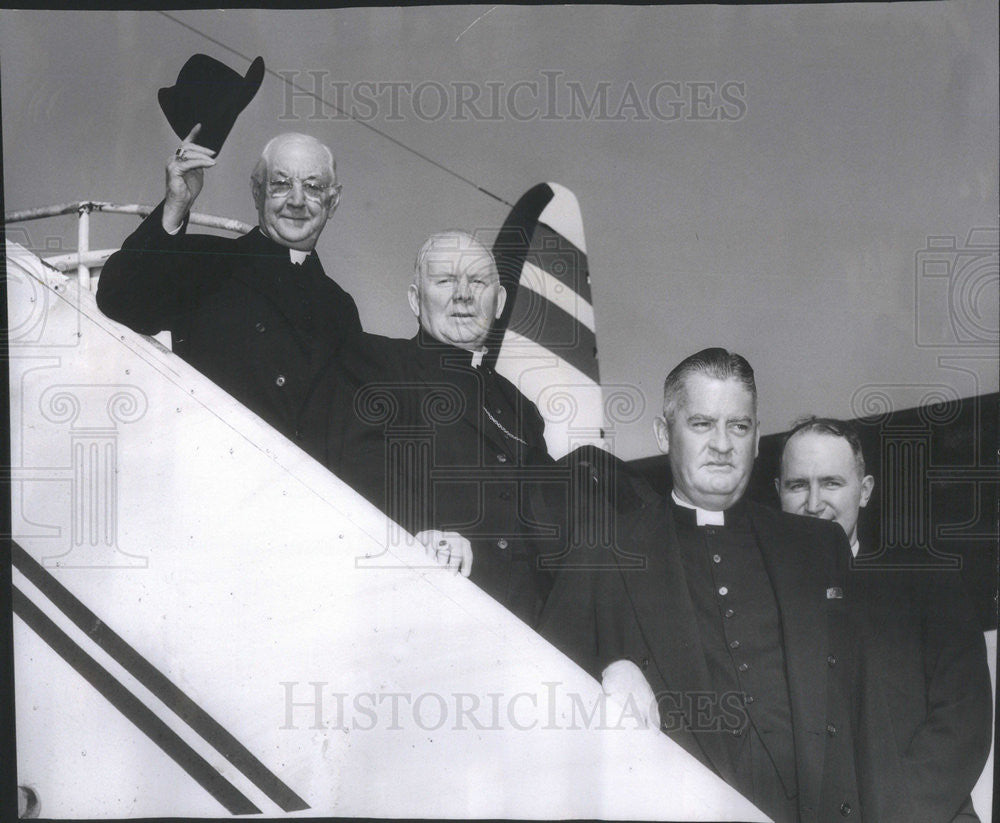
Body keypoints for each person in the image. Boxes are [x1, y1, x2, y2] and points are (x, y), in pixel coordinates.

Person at [539, 348, 869, 823]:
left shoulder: (819, 549)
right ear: (663, 434)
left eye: (738, 426)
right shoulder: (602, 554)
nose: (722, 444)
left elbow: (869, 702)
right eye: (701, 424)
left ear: (757, 439)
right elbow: (547, 706)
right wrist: (606, 672)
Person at [301, 230, 556, 626]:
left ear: (500, 302)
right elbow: (360, 470)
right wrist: (417, 536)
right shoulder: (376, 365)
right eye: (445, 281)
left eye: (477, 281)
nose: (463, 295)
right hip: (423, 611)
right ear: (415, 299)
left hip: (526, 630)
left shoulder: (521, 409)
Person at [777, 417, 992, 823]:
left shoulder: (928, 584)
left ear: (865, 491)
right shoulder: (759, 601)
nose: (813, 502)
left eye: (832, 483)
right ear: (778, 493)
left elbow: (964, 721)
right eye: (798, 485)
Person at [97, 129, 361, 440]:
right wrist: (176, 204)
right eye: (280, 184)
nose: (297, 200)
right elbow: (120, 300)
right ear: (256, 190)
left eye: (314, 187)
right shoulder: (208, 261)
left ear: (334, 201)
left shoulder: (340, 307)